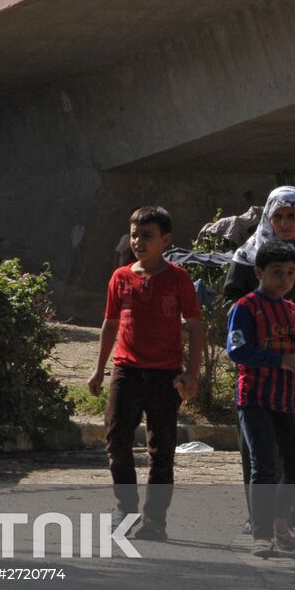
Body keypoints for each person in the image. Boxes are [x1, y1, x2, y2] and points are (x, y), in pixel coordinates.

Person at [223, 186, 295, 545]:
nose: (286, 224)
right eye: (279, 217)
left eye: (293, 216)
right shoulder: (248, 256)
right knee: (258, 445)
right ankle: (261, 515)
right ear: (268, 218)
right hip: (259, 370)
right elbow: (231, 303)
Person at [88, 205, 203, 540]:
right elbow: (110, 324)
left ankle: (155, 520)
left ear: (165, 240)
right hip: (125, 371)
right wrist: (99, 371)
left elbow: (195, 326)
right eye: (135, 234)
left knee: (161, 448)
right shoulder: (120, 277)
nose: (138, 241)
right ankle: (125, 509)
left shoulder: (178, 279)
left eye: (147, 236)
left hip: (165, 375)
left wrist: (192, 374)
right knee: (116, 440)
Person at [226, 241, 295, 557]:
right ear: (259, 272)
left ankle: (279, 519)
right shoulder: (245, 307)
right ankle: (261, 535)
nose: (285, 279)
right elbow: (237, 350)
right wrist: (280, 361)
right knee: (263, 464)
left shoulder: (291, 310)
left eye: (291, 273)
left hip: (285, 398)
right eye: (277, 272)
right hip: (255, 397)